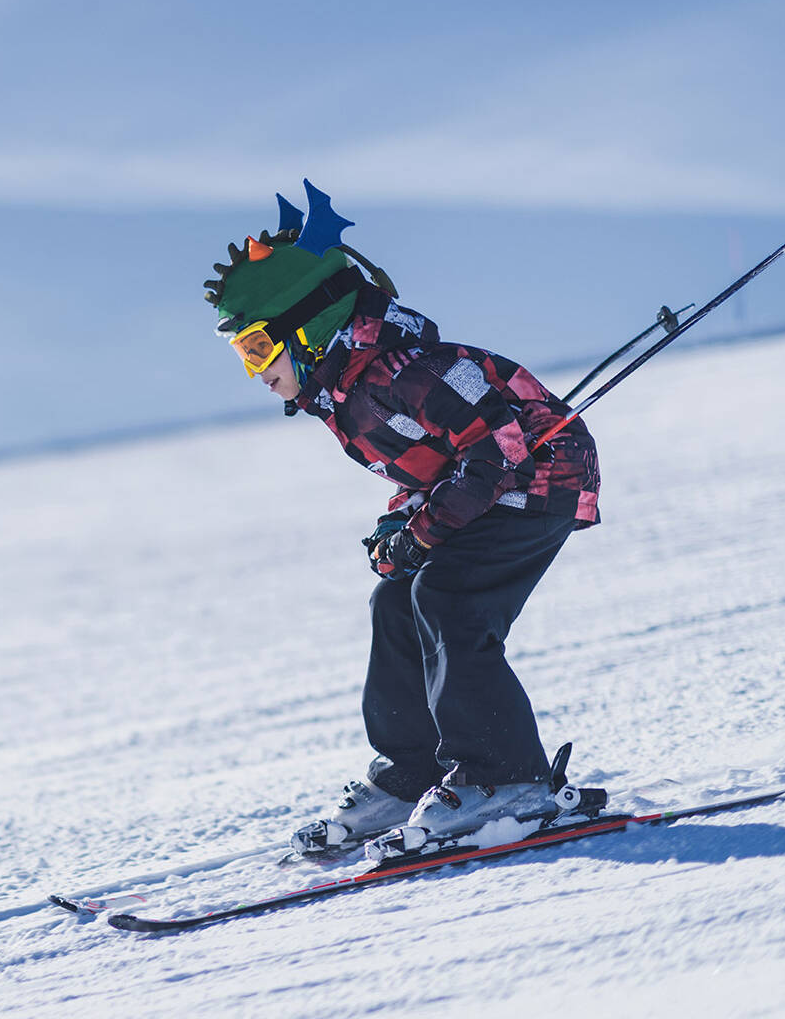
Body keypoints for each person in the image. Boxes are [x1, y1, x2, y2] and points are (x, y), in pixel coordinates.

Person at [204, 182, 601, 851]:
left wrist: (424, 532)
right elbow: (430, 471)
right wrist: (400, 526)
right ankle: (411, 776)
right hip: (489, 489)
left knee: (446, 597)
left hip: (538, 480)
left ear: (307, 329)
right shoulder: (348, 396)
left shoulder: (405, 371)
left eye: (255, 350)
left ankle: (506, 778)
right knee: (395, 602)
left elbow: (498, 446)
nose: (255, 373)